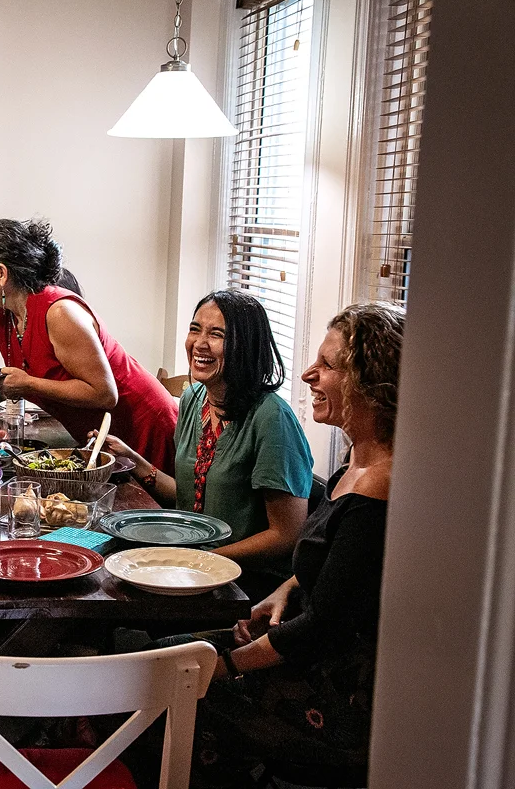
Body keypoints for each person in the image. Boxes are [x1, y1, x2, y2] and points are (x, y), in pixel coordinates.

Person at [151, 303, 405, 786]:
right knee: (162, 654)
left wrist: (226, 665)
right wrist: (283, 591)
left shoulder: (381, 486)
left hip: (334, 689)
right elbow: (335, 564)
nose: (309, 374)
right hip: (296, 641)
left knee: (162, 681)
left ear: (372, 386)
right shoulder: (355, 464)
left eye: (328, 365)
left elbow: (323, 629)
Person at [0, 218, 178, 472]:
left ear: (1, 273)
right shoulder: (4, 321)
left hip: (145, 425)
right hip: (102, 438)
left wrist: (28, 384)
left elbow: (104, 393)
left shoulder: (59, 313)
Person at [97, 290, 313, 585]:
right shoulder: (193, 399)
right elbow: (189, 496)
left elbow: (286, 535)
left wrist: (202, 561)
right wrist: (131, 458)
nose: (199, 343)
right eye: (195, 329)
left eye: (217, 334)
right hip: (189, 569)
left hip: (246, 582)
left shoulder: (272, 418)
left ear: (245, 345)